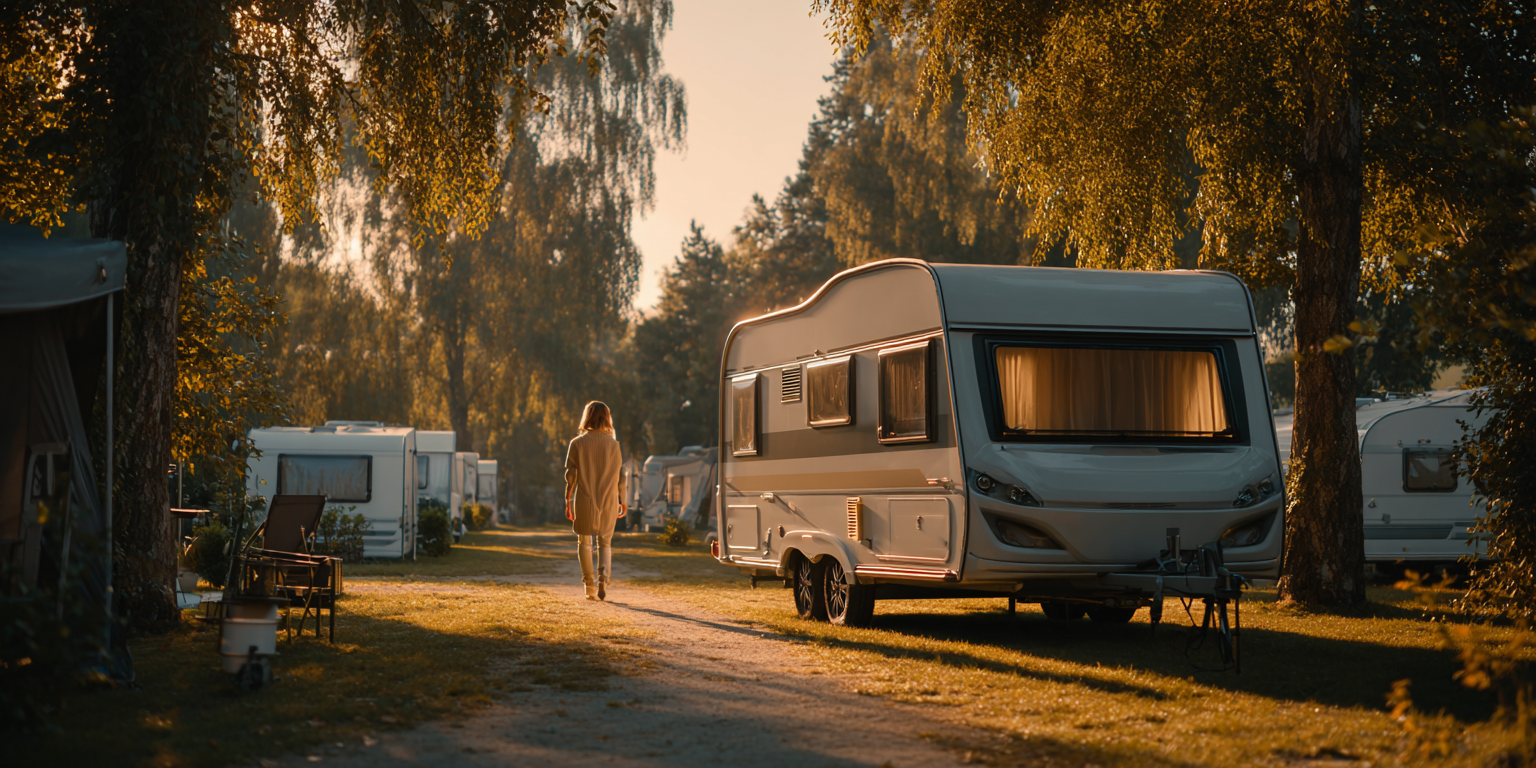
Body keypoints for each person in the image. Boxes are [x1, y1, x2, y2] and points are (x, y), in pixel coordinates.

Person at [564, 401, 626, 600]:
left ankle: (589, 585)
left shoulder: (577, 443)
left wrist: (567, 500)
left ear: (587, 417)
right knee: (605, 542)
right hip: (609, 500)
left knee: (584, 542)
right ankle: (603, 578)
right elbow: (620, 477)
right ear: (606, 417)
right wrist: (622, 500)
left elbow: (571, 476)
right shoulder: (614, 445)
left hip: (584, 499)